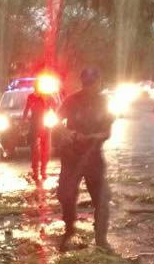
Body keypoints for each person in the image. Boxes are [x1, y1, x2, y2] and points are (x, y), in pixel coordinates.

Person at [56, 68, 114, 251]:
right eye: (86, 83)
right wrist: (68, 133)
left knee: (101, 198)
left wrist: (93, 137)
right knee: (65, 195)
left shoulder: (104, 103)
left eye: (93, 83)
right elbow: (54, 122)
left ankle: (101, 238)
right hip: (72, 156)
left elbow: (107, 132)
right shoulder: (71, 100)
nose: (89, 87)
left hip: (93, 156)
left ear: (99, 83)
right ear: (82, 83)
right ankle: (69, 229)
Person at [21, 92, 51, 182]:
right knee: (34, 150)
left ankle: (43, 171)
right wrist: (24, 120)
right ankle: (35, 172)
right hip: (34, 126)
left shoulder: (47, 96)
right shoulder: (31, 97)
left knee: (45, 149)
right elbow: (27, 109)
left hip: (45, 126)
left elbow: (53, 107)